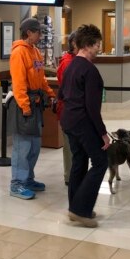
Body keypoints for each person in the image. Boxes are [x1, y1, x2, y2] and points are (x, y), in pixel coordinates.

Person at [59, 24, 109, 227]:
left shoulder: (70, 65)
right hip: (83, 122)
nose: (99, 48)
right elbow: (92, 107)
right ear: (88, 45)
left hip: (68, 120)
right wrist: (103, 133)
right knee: (100, 162)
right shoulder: (90, 70)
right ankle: (81, 209)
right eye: (97, 44)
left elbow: (61, 94)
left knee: (79, 161)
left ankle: (76, 206)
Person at [8, 18, 56, 200]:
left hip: (36, 104)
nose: (41, 35)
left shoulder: (35, 51)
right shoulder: (19, 52)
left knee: (35, 146)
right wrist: (25, 105)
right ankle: (17, 184)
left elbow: (41, 78)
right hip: (24, 105)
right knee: (23, 147)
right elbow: (18, 82)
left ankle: (28, 179)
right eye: (38, 32)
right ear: (29, 32)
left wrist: (50, 93)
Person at [56, 31, 77, 185]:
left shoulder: (77, 61)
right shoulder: (68, 63)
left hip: (75, 111)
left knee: (75, 146)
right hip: (69, 111)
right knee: (70, 146)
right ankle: (70, 177)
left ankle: (75, 174)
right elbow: (70, 91)